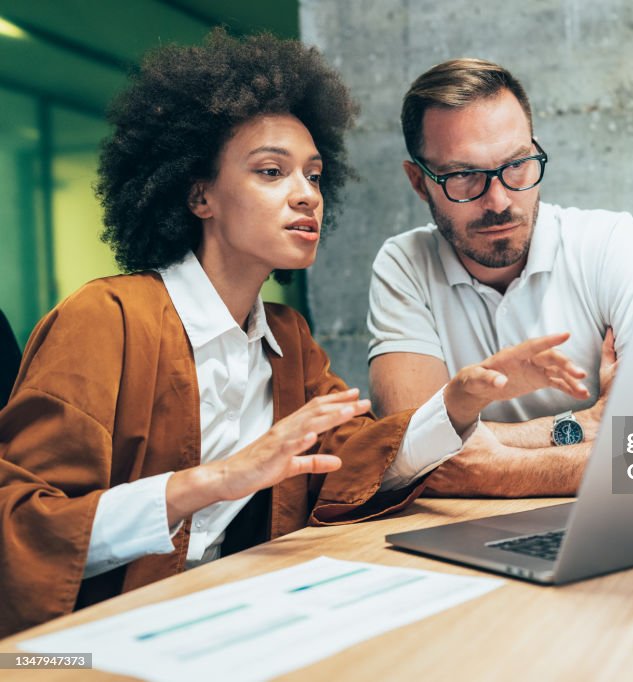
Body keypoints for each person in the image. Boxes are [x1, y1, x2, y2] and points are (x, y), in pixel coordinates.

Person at [0, 34, 589, 637]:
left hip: (234, 620)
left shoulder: (286, 338)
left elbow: (355, 461)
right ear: (198, 192)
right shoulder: (105, 319)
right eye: (271, 172)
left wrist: (459, 401)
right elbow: (22, 530)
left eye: (313, 174)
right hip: (86, 648)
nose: (307, 194)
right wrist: (210, 482)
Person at [367, 59, 633, 497]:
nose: (498, 200)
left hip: (608, 517)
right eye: (463, 175)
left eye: (517, 165)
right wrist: (584, 424)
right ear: (419, 182)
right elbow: (405, 453)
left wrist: (500, 468)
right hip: (466, 532)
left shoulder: (613, 244)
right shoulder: (405, 263)